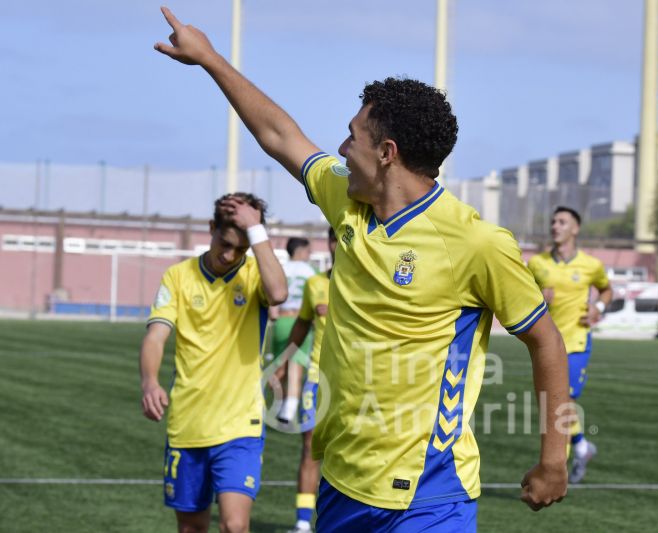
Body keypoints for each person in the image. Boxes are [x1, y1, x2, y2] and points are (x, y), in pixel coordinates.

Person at [155, 8, 569, 531]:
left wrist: (553, 460)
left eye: (354, 137)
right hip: (343, 484)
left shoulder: (475, 242)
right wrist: (211, 60)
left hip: (430, 494)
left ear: (387, 153)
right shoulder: (347, 202)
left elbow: (545, 340)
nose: (343, 149)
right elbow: (280, 135)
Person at [139, 192, 287, 533]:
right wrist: (149, 381)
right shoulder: (177, 277)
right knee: (191, 528)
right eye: (224, 242)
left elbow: (278, 293)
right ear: (211, 228)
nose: (229, 254)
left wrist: (256, 231)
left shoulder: (255, 275)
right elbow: (155, 336)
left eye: (240, 247)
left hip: (240, 425)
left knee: (234, 526)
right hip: (188, 424)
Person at [526, 206, 613, 484]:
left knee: (562, 402)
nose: (555, 226)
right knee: (552, 404)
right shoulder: (537, 264)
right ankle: (582, 447)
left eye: (562, 221)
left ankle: (556, 474)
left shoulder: (591, 265)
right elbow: (524, 296)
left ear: (575, 228)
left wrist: (598, 307)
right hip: (547, 344)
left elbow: (607, 289)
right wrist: (539, 297)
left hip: (576, 342)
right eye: (553, 221)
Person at [285, 227, 337, 533]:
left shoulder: (367, 282)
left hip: (356, 382)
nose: (334, 244)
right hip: (318, 380)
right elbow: (302, 325)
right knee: (310, 447)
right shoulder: (315, 283)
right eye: (331, 238)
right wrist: (282, 364)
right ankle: (303, 523)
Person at [271, 236, 316, 424]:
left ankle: (277, 403)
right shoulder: (311, 271)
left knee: (280, 364)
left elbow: (272, 296)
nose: (310, 254)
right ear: (300, 251)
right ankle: (289, 408)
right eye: (308, 251)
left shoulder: (281, 269)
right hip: (300, 320)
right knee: (295, 363)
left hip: (281, 320)